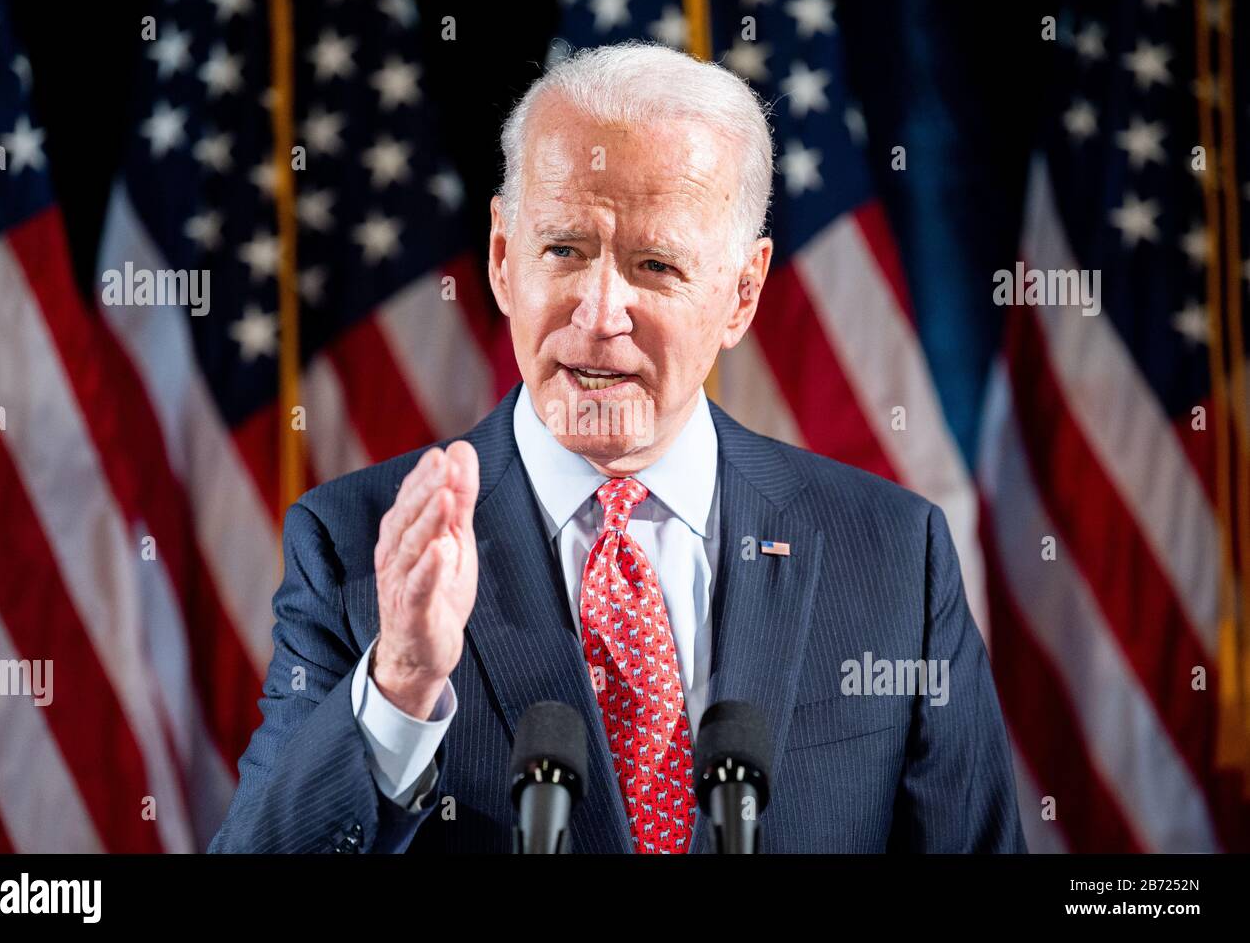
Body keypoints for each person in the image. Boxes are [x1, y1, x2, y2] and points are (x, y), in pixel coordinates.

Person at [210, 42, 1026, 854]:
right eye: (564, 249)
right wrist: (400, 685)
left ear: (742, 293)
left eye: (655, 265)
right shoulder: (355, 543)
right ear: (502, 258)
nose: (600, 312)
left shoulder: (891, 556)